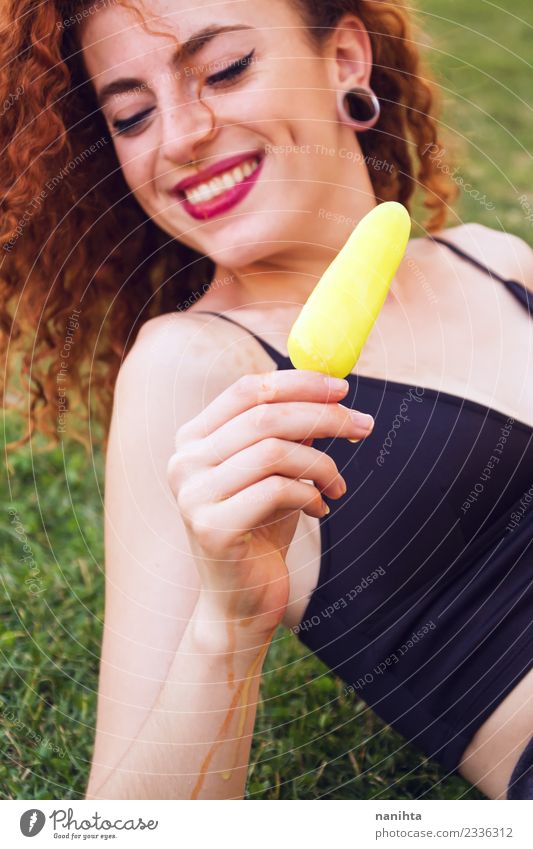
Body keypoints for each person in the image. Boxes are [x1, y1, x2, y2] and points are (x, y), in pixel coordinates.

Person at [1, 0, 531, 800]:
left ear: (345, 59)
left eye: (224, 70)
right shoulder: (197, 368)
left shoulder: (492, 259)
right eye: (133, 115)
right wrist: (227, 627)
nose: (179, 137)